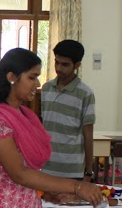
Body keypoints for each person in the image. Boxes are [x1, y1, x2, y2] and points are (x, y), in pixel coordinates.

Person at [0, 48, 103, 208]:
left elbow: (30, 170)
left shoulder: (25, 115)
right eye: (32, 77)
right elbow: (19, 173)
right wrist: (76, 186)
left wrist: (46, 192)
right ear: (12, 77)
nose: (37, 84)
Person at [40, 39, 96, 182]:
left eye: (65, 64)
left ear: (77, 65)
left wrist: (89, 172)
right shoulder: (46, 88)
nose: (59, 68)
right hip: (46, 166)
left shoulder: (85, 93)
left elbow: (88, 134)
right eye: (56, 62)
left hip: (71, 169)